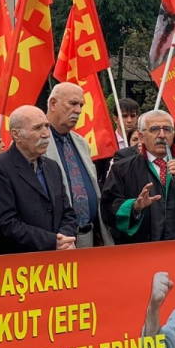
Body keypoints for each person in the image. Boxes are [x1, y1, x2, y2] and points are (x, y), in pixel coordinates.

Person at [101, 109, 175, 245]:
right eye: (154, 129)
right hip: (141, 250)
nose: (162, 135)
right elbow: (107, 209)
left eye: (167, 129)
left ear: (173, 135)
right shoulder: (122, 169)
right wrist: (135, 207)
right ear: (141, 137)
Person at [0, 106, 77, 253]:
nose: (46, 134)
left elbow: (68, 212)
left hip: (60, 256)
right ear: (16, 135)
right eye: (37, 128)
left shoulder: (52, 167)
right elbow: (7, 223)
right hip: (22, 260)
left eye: (47, 126)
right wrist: (52, 241)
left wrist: (65, 239)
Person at [44, 82, 112, 247]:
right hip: (58, 240)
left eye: (81, 105)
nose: (79, 110)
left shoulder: (81, 142)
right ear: (53, 104)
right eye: (73, 103)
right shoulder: (35, 142)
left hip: (89, 234)